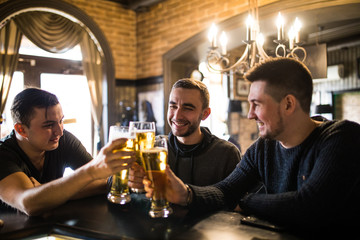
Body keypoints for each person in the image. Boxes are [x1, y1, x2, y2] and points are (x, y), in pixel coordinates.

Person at [143, 58, 360, 230]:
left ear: (288, 104)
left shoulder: (341, 138)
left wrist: (244, 201)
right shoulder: (263, 148)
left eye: (256, 104)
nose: (250, 115)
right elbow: (225, 191)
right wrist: (186, 194)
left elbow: (309, 206)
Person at [0, 88, 135, 216]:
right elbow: (29, 204)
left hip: (50, 227)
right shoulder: (3, 153)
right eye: (48, 125)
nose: (59, 131)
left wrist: (48, 195)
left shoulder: (63, 140)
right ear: (21, 129)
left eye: (61, 121)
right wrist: (91, 171)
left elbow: (102, 181)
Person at [129, 78, 241, 189]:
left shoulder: (227, 153)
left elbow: (235, 203)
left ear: (205, 114)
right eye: (173, 106)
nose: (177, 116)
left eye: (187, 108)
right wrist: (132, 181)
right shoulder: (153, 148)